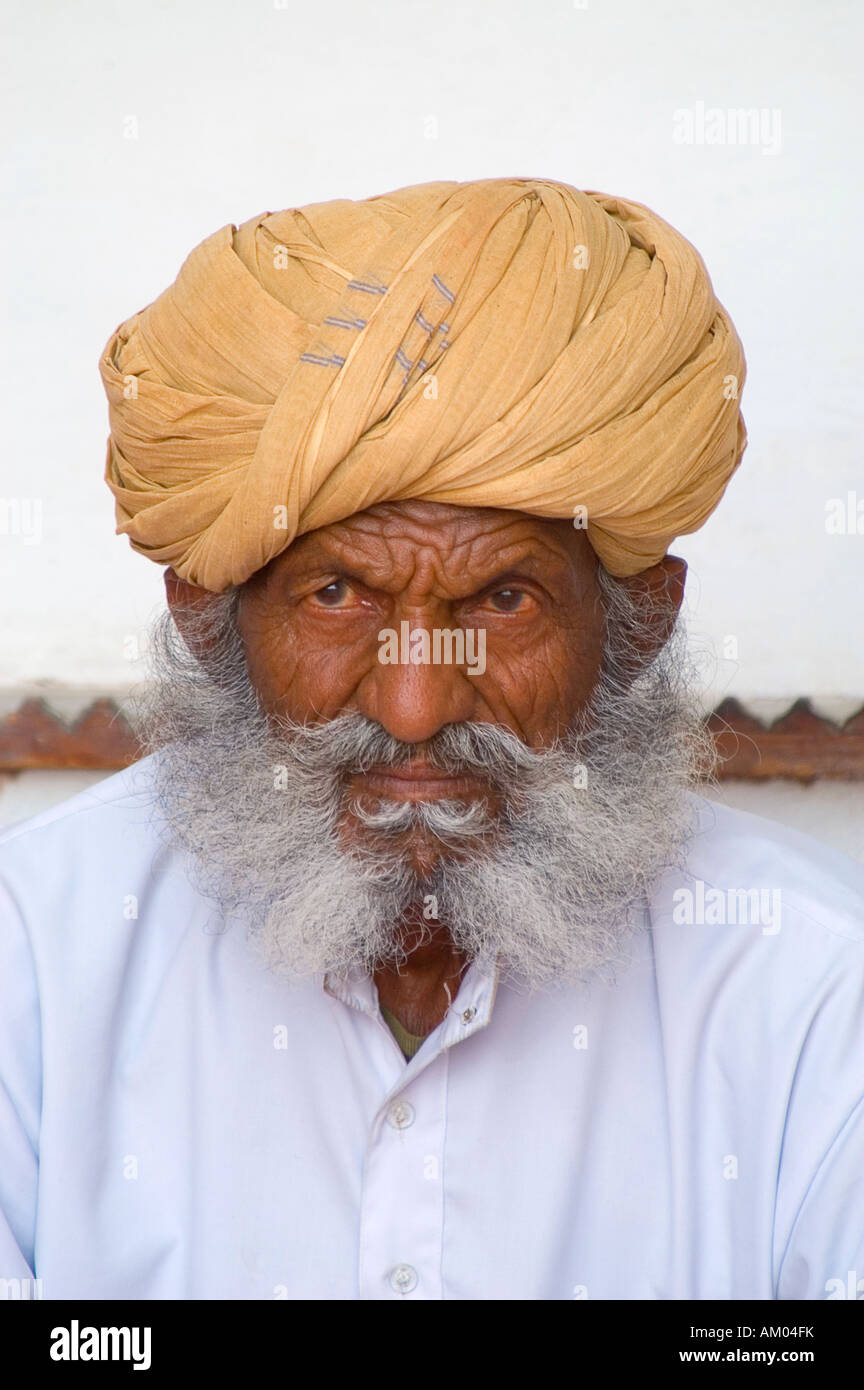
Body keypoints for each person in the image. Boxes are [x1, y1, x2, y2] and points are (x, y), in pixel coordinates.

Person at [1, 177, 862, 1301]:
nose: (415, 709)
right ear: (210, 619)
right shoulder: (33, 956)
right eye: (336, 595)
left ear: (637, 625)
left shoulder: (814, 987)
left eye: (503, 603)